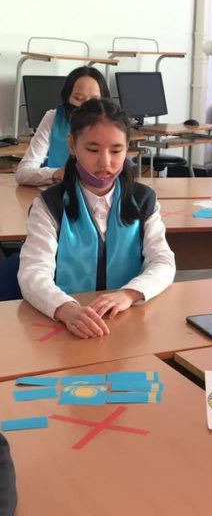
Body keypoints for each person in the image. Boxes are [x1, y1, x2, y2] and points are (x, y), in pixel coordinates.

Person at [18, 98, 175, 339]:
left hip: (127, 323)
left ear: (127, 147)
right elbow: (33, 273)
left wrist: (129, 294)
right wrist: (65, 309)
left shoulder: (143, 200)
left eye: (116, 150)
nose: (105, 162)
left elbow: (163, 262)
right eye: (92, 150)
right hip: (67, 327)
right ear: (72, 145)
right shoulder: (50, 205)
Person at [15, 66, 110, 187]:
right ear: (67, 97)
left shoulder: (111, 125)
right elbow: (23, 173)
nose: (86, 106)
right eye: (78, 98)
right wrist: (57, 174)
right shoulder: (53, 118)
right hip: (59, 192)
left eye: (94, 100)